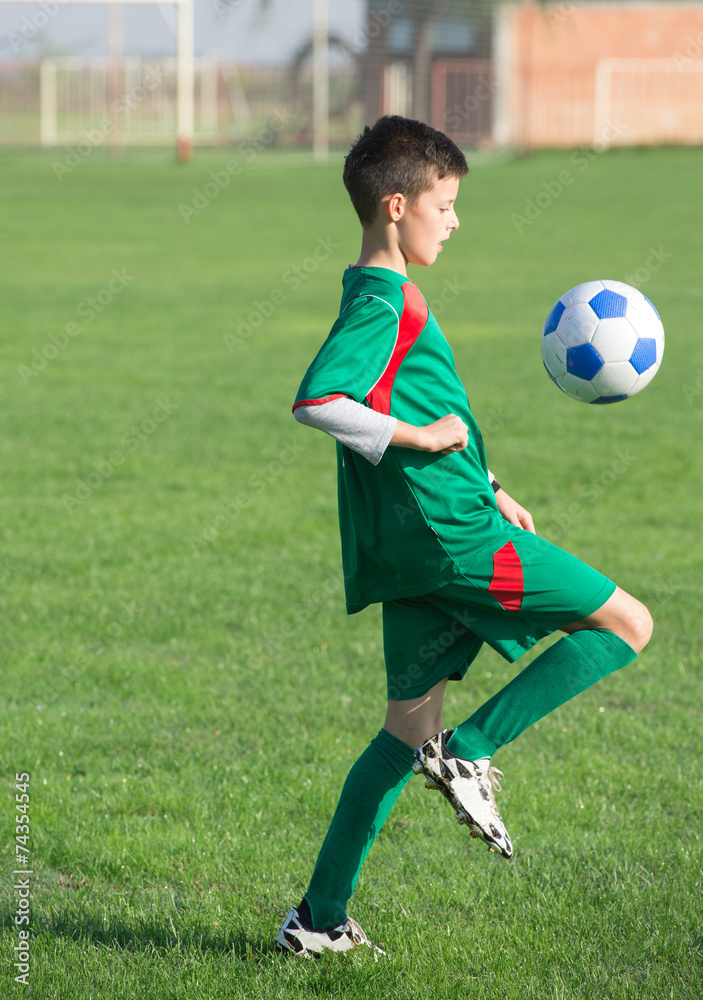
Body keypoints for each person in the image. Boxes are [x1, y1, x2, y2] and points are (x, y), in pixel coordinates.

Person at [275, 116, 652, 958]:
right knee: (628, 624)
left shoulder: (374, 291)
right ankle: (472, 752)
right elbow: (319, 403)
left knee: (398, 738)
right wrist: (424, 443)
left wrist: (487, 479)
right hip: (451, 541)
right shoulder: (384, 298)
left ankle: (318, 921)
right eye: (444, 205)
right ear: (396, 204)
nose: (453, 220)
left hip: (424, 538)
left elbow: (416, 405)